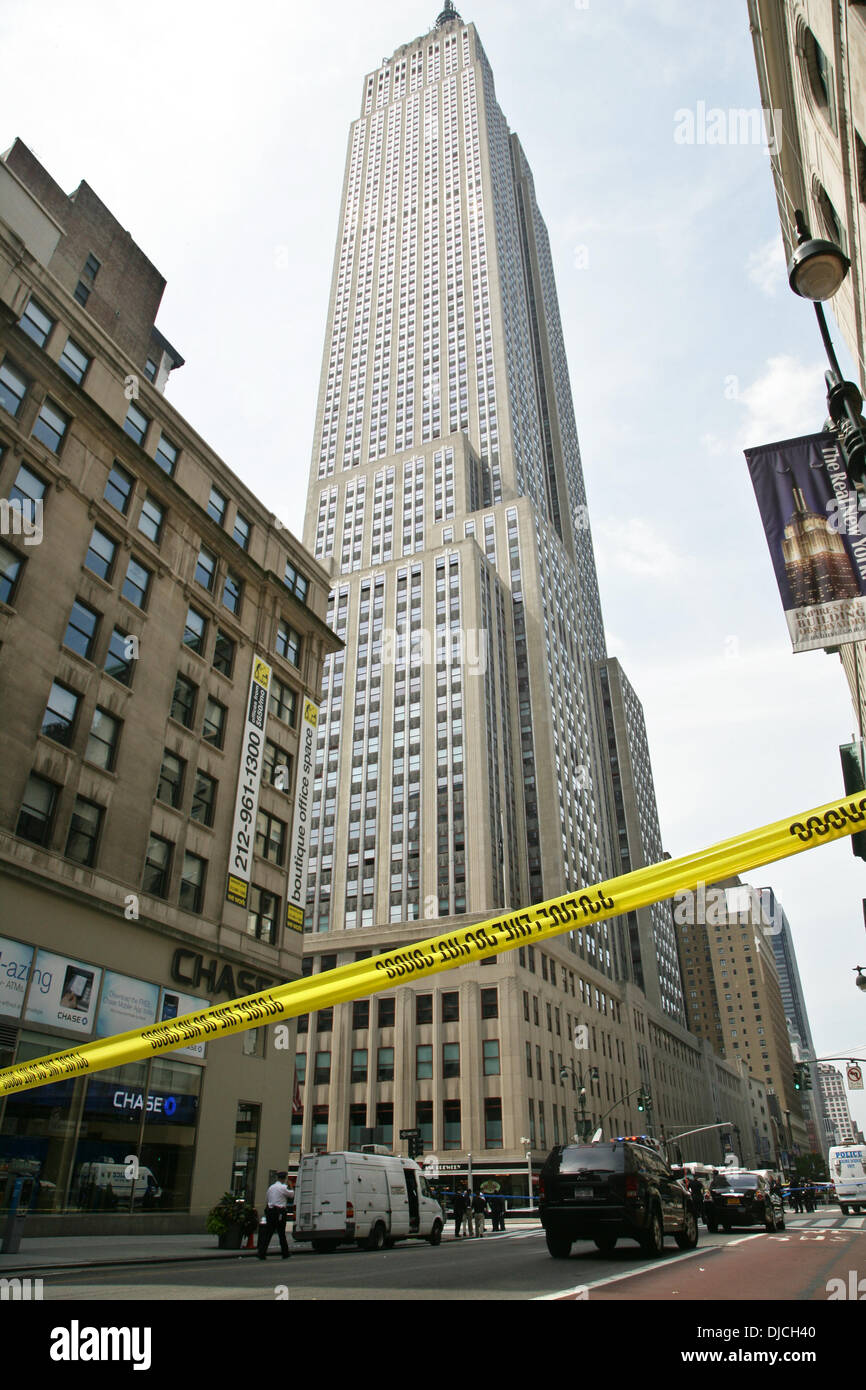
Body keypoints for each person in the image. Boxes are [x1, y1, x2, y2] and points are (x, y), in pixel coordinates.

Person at [257, 1171, 292, 1259]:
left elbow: (267, 1199)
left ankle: (262, 1253)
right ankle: (285, 1253)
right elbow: (291, 1195)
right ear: (284, 1178)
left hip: (270, 1211)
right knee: (281, 1234)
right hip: (280, 1212)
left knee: (268, 1233)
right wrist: (291, 1186)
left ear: (277, 1178)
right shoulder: (283, 1187)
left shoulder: (271, 1188)